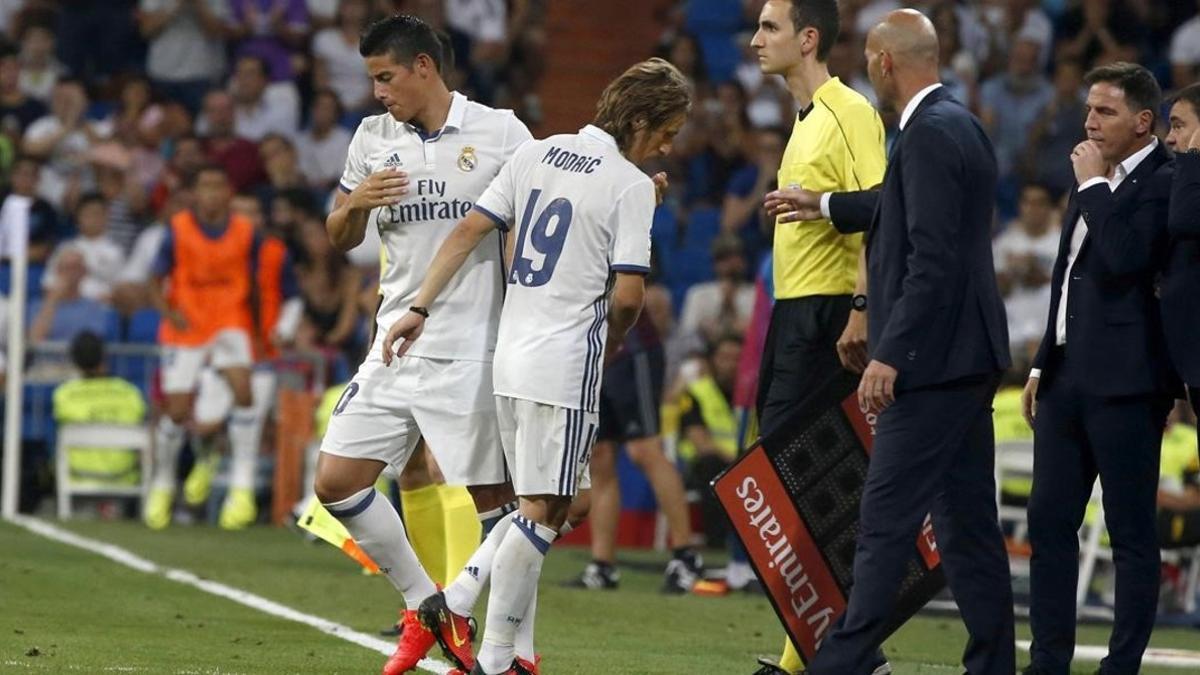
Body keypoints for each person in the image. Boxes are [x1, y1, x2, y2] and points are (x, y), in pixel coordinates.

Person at [385, 57, 692, 675]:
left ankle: (495, 638)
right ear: (640, 118)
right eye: (668, 130)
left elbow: (476, 227)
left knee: (552, 504)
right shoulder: (629, 186)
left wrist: (420, 303)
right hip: (565, 359)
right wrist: (608, 338)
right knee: (546, 511)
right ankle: (484, 638)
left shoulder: (540, 152)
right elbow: (629, 296)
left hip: (511, 354)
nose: (669, 144)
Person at [768, 10, 1015, 674]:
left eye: (870, 62)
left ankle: (841, 662)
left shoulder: (927, 135)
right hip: (968, 356)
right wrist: (824, 205)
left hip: (931, 365)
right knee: (968, 529)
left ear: (883, 63)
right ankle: (991, 664)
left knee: (883, 522)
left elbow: (929, 260)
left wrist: (889, 351)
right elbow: (898, 208)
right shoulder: (958, 126)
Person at [310, 15, 530, 675]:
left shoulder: (501, 131)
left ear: (423, 68)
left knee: (496, 504)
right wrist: (355, 208)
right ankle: (424, 605)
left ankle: (512, 649)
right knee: (337, 481)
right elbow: (338, 236)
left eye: (386, 76)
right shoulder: (372, 139)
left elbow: (533, 220)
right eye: (372, 78)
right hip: (395, 335)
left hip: (471, 340)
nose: (378, 91)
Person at [1021, 62, 1176, 675]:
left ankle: (1121, 667)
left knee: (1130, 534)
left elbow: (1125, 260)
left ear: (1144, 122)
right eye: (1088, 109)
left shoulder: (1167, 182)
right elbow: (1067, 277)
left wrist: (1093, 190)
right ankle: (1048, 664)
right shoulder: (1094, 176)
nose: (1089, 121)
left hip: (1128, 386)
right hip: (1065, 381)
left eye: (1105, 111)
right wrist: (1040, 363)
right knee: (1049, 525)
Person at [748, 1, 887, 673]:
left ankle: (819, 655)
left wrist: (862, 306)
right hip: (792, 313)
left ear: (808, 39)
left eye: (770, 28)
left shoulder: (849, 111)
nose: (755, 40)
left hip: (830, 314)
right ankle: (850, 654)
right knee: (802, 485)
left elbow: (881, 209)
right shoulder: (804, 121)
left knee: (800, 483)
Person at [144, 163, 261, 531]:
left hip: (230, 320)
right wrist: (169, 312)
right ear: (194, 193)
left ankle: (241, 487)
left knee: (244, 391)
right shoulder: (177, 229)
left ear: (228, 192)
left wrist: (261, 330)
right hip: (188, 324)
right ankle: (164, 480)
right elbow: (153, 279)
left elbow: (261, 282)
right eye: (205, 186)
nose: (212, 193)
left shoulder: (247, 231)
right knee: (177, 411)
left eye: (218, 186)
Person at [567, 306, 702, 594]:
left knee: (643, 450)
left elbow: (630, 293)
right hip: (589, 353)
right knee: (600, 457)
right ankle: (603, 565)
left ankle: (686, 555)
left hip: (630, 349)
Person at [52, 331, 147, 500]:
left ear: (75, 361)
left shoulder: (64, 395)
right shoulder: (130, 392)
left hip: (78, 476)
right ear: (104, 357)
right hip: (123, 477)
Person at [1163, 83, 1200, 452]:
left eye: (1178, 125)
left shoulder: (1190, 177)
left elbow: (1186, 220)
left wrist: (1194, 155)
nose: (1170, 138)